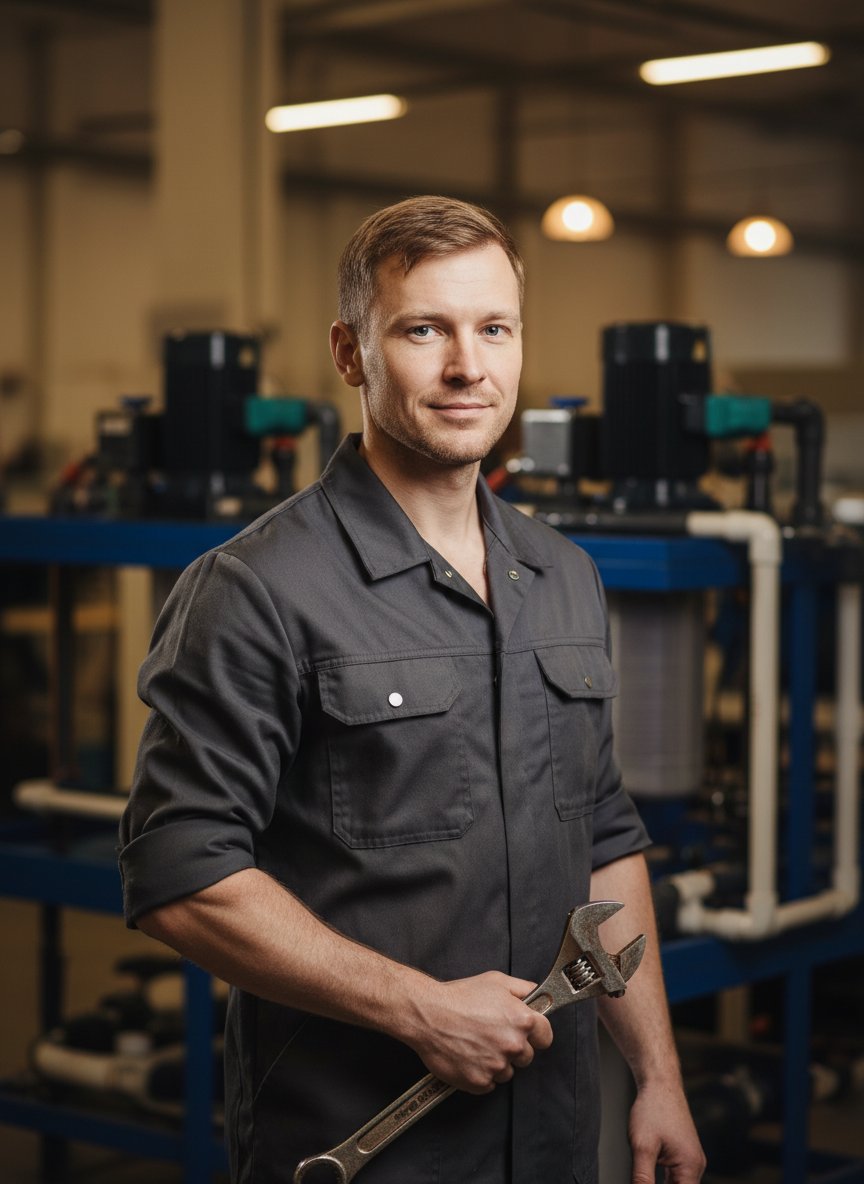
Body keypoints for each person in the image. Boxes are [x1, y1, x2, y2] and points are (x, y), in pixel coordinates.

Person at [119, 196, 705, 1184]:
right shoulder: (257, 588)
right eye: (425, 329)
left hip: (553, 1141)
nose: (469, 366)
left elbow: (604, 840)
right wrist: (418, 1007)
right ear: (350, 353)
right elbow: (180, 874)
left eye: (495, 329)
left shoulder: (564, 575)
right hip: (363, 1148)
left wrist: (659, 1074)